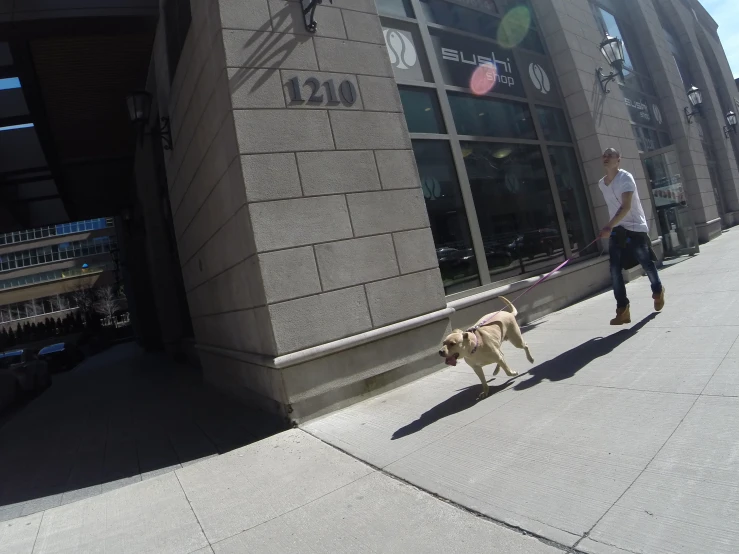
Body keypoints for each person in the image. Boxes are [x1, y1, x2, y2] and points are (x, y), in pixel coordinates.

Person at [597, 147, 665, 325]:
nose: (606, 157)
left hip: (634, 228)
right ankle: (623, 310)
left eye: (610, 155)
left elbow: (626, 206)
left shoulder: (625, 177)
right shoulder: (601, 184)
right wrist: (612, 227)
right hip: (617, 229)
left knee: (645, 262)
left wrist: (608, 226)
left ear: (619, 159)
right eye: (604, 155)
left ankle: (658, 290)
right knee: (614, 270)